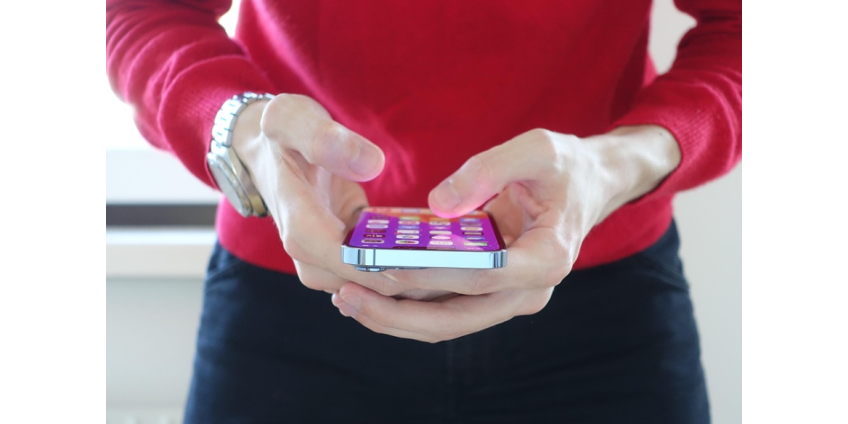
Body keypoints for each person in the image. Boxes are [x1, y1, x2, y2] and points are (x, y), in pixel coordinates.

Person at [106, 0, 741, 422]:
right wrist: (243, 132)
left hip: (602, 305)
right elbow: (146, 13)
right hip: (291, 293)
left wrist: (616, 165)